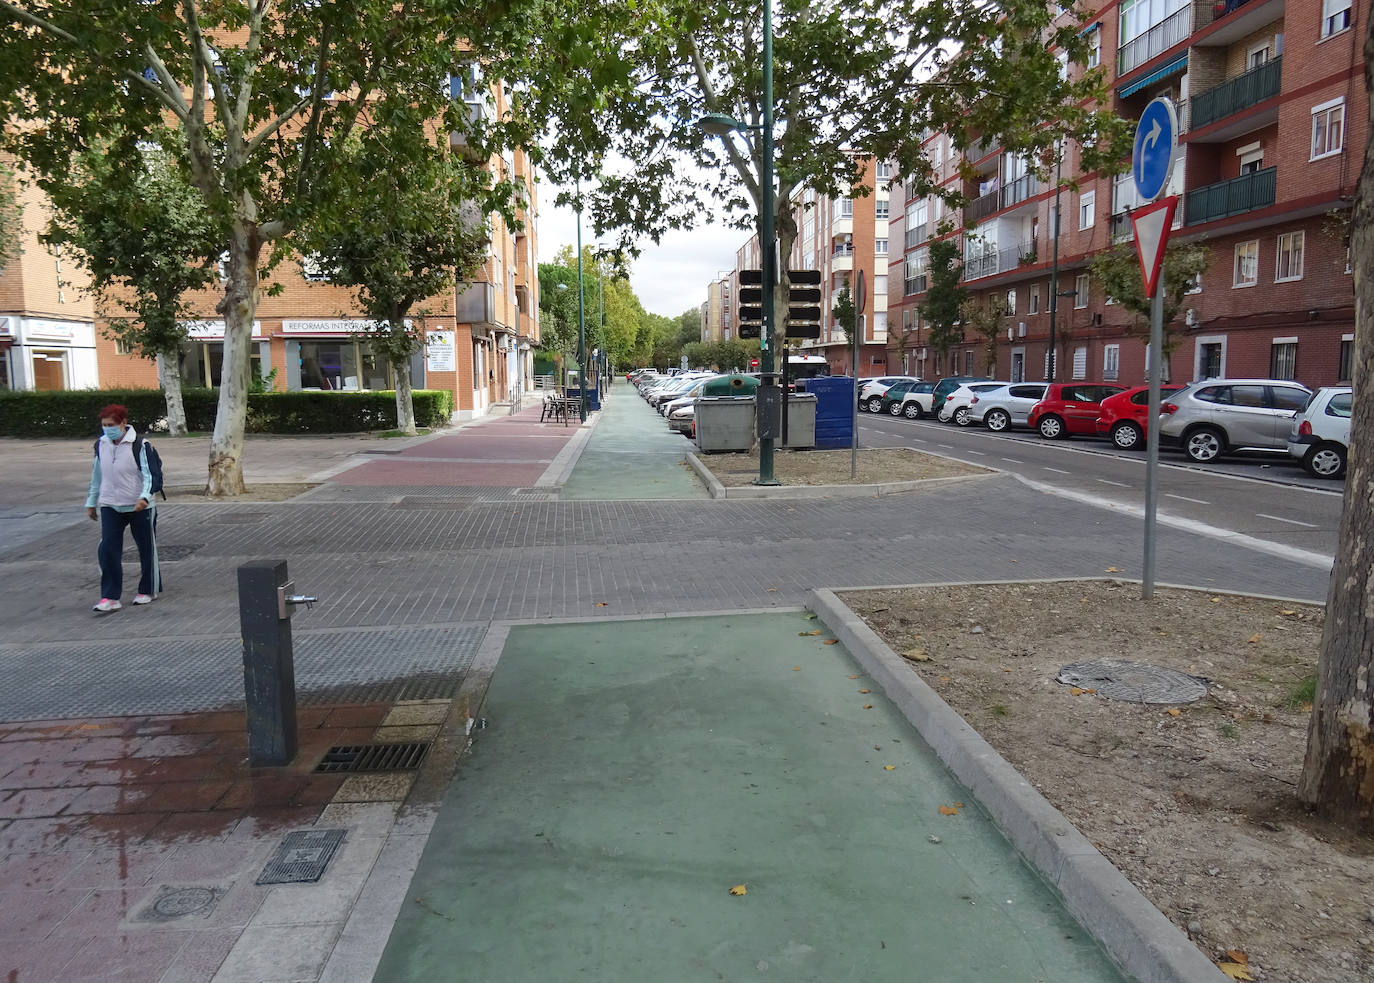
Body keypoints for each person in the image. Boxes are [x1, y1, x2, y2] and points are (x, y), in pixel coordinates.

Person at [85, 404, 160, 613]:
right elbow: (97, 475)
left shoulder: (139, 445)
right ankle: (109, 596)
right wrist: (92, 502)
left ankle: (148, 590)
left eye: (112, 425)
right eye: (104, 425)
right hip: (110, 504)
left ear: (123, 423)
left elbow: (149, 474)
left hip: (139, 506)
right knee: (108, 548)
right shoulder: (100, 445)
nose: (108, 429)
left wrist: (144, 497)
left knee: (146, 549)